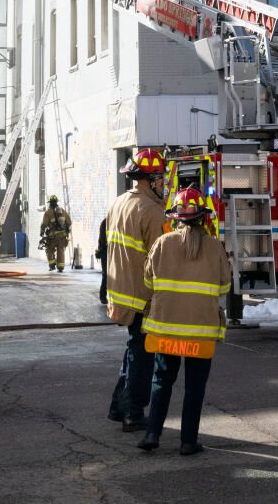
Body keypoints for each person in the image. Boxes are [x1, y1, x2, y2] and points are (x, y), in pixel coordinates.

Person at [138, 187, 231, 455]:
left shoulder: (162, 243)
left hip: (165, 331)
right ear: (203, 217)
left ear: (176, 217)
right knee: (194, 388)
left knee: (161, 381)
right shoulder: (215, 248)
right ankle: (188, 441)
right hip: (200, 334)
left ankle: (152, 434)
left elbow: (148, 283)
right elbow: (224, 288)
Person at [104, 149, 169, 433]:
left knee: (133, 351)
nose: (163, 183)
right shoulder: (152, 211)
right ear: (150, 179)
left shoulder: (118, 203)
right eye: (160, 178)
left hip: (120, 292)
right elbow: (163, 258)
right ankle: (133, 412)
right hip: (143, 296)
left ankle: (120, 406)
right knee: (143, 357)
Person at [39, 195, 73, 272]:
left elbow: (44, 224)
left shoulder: (48, 212)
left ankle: (52, 265)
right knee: (61, 251)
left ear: (50, 203)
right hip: (62, 236)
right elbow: (69, 222)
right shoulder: (63, 211)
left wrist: (41, 232)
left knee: (49, 249)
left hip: (52, 236)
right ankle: (60, 267)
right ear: (56, 202)